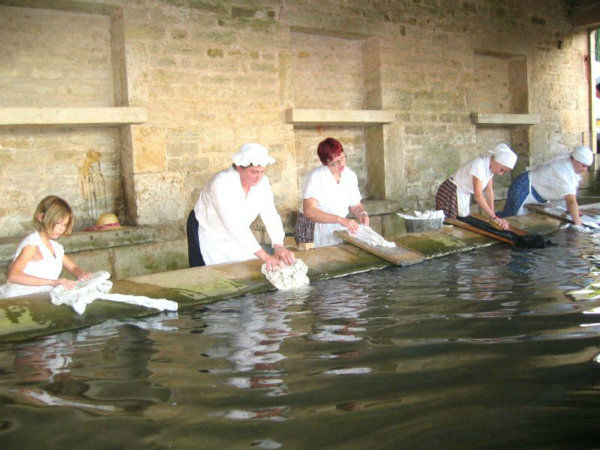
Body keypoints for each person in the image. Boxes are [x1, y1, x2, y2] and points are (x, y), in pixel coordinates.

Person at [186, 143, 295, 270]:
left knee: (240, 270)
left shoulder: (262, 183)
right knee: (207, 276)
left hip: (237, 235)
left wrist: (278, 246)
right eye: (254, 172)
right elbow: (234, 224)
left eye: (263, 171)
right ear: (239, 168)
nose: (259, 177)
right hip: (208, 232)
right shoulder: (221, 183)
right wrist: (265, 256)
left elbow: (270, 214)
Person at [0, 195, 91, 299]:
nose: (61, 229)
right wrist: (52, 282)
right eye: (58, 224)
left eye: (64, 225)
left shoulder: (56, 248)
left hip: (41, 297)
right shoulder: (32, 244)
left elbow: (73, 267)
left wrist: (82, 274)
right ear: (41, 217)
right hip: (20, 299)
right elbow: (13, 276)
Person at [295, 137, 369, 248]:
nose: (341, 164)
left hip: (339, 225)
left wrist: (362, 214)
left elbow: (356, 205)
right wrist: (340, 220)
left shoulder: (350, 176)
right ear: (326, 162)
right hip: (313, 228)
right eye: (335, 162)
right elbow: (309, 211)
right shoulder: (316, 177)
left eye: (343, 158)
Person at [498, 145, 593, 225]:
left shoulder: (570, 163)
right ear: (575, 160)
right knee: (510, 220)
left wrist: (573, 211)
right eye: (583, 166)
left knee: (523, 222)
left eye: (587, 167)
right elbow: (571, 201)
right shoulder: (563, 170)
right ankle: (489, 224)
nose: (585, 170)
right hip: (524, 187)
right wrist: (579, 226)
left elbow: (571, 198)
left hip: (537, 193)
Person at [435, 143, 517, 230]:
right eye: (501, 170)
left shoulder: (490, 169)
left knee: (460, 221)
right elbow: (478, 196)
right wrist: (494, 217)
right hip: (450, 191)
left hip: (462, 192)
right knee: (450, 224)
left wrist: (493, 217)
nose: (500, 174)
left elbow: (489, 192)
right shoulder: (479, 166)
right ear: (497, 160)